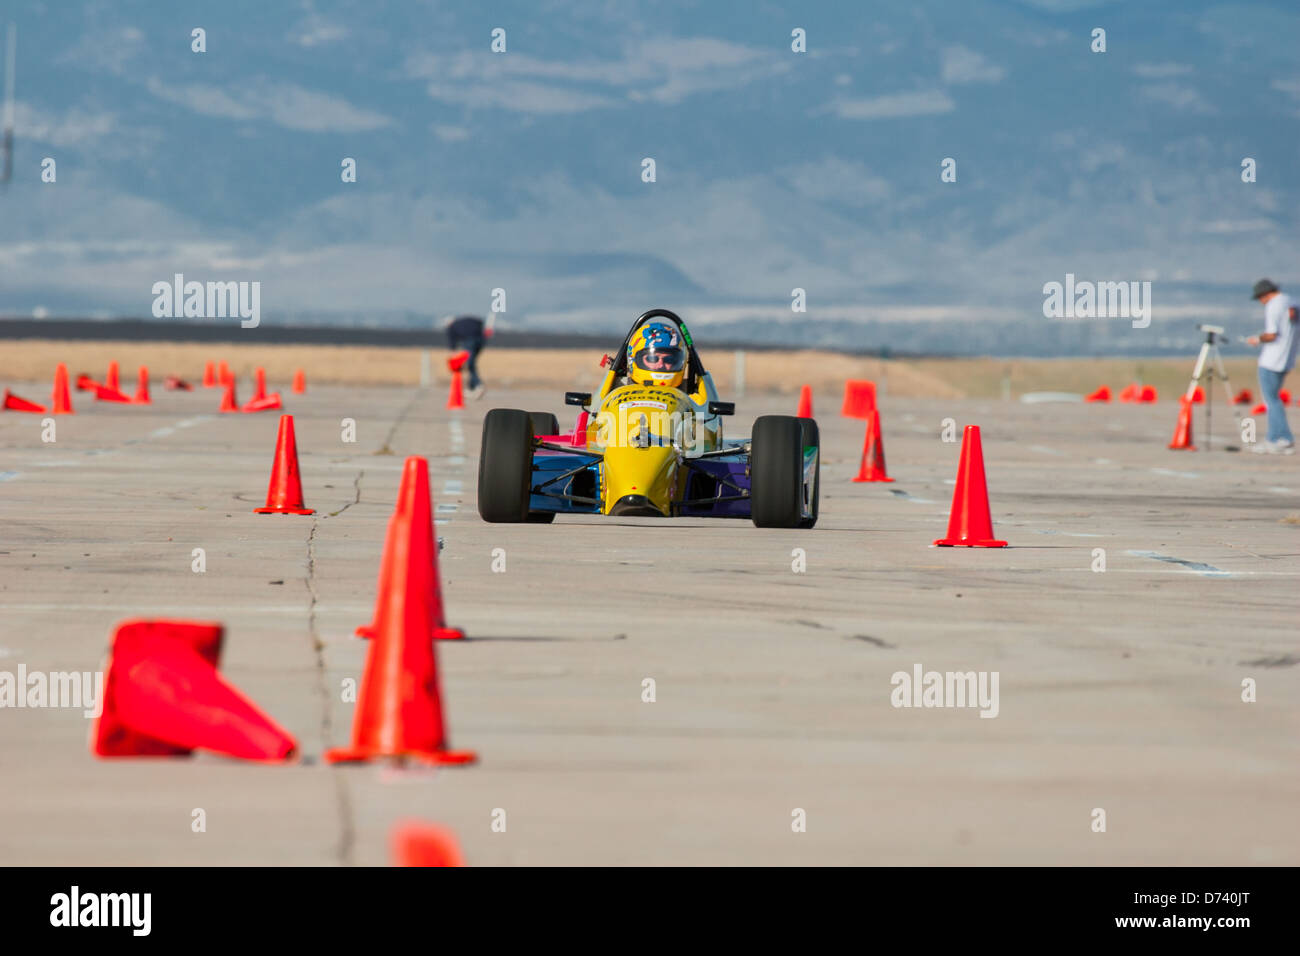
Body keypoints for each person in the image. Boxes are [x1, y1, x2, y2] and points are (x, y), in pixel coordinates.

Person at [1245, 279, 1297, 454]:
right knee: (1274, 399)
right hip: (1287, 358)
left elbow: (1272, 335)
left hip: (1271, 360)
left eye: (1260, 298)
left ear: (1265, 294)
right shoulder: (1292, 302)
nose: (1261, 302)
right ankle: (1281, 438)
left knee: (1271, 400)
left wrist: (1257, 339)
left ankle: (1279, 438)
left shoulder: (1274, 306)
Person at [625, 321, 687, 390]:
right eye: (652, 358)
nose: (661, 365)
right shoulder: (618, 393)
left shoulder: (692, 398)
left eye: (669, 359)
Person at [442, 314, 493, 398]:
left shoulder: (452, 327)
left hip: (470, 341)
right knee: (472, 363)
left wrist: (453, 359)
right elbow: (480, 322)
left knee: (470, 364)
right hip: (481, 339)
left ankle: (478, 385)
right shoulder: (463, 321)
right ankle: (472, 387)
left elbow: (452, 345)